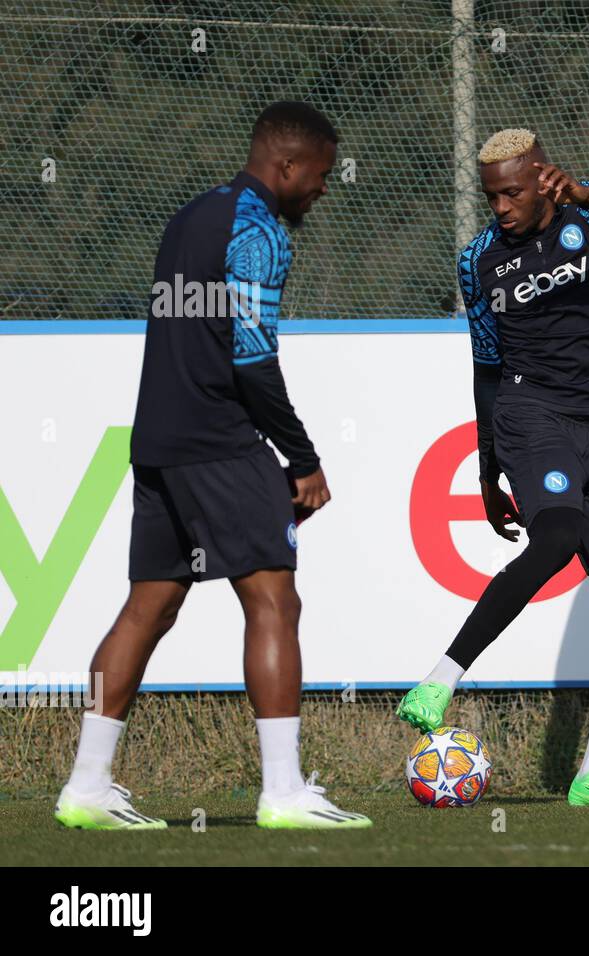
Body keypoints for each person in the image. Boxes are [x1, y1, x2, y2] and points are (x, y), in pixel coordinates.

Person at [54, 101, 369, 830]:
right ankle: (284, 793)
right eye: (319, 176)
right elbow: (253, 360)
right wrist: (303, 458)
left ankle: (86, 787)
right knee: (274, 602)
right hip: (220, 442)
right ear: (285, 166)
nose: (324, 188)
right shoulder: (258, 230)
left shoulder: (191, 215)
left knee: (149, 606)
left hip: (159, 442)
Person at [397, 129, 589, 807]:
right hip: (531, 412)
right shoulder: (479, 259)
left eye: (513, 192)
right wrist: (490, 471)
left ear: (542, 179)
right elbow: (485, 366)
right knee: (556, 537)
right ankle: (441, 678)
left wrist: (586, 192)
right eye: (492, 196)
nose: (502, 208)